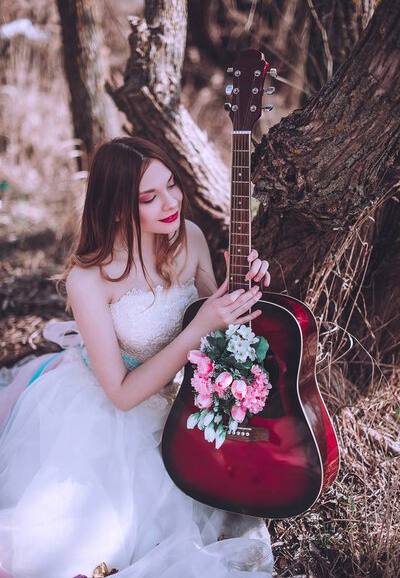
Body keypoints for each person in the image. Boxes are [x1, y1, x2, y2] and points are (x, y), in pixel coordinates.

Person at [0, 137, 274, 578]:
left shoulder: (191, 238)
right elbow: (123, 395)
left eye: (172, 185)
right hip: (112, 411)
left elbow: (222, 331)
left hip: (180, 403)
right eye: (149, 197)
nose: (170, 203)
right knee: (90, 541)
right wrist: (199, 326)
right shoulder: (89, 278)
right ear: (116, 209)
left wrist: (246, 287)